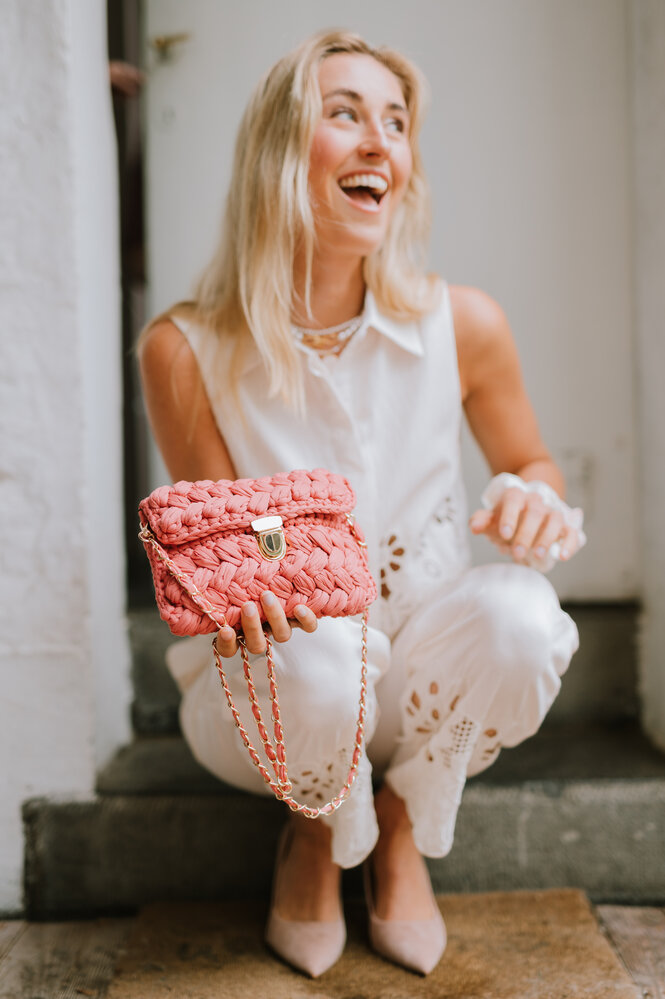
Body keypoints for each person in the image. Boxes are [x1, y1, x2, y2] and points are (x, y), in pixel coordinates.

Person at [139, 29, 584, 979]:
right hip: (269, 688)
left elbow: (534, 463)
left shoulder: (462, 324)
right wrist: (279, 542)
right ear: (277, 148)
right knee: (315, 644)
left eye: (397, 121)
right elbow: (232, 532)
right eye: (344, 114)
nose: (381, 141)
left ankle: (395, 827)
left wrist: (530, 500)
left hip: (424, 670)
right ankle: (308, 825)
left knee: (522, 618)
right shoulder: (185, 349)